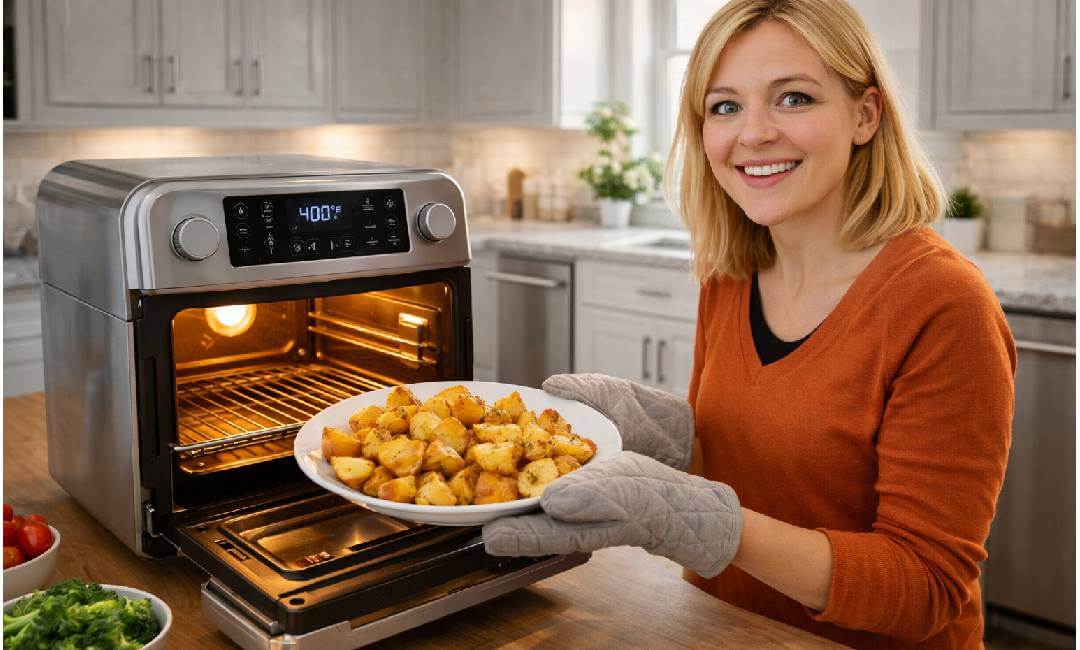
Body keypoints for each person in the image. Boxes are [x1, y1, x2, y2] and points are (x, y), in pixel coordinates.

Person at [482, 0, 1017, 648]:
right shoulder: (731, 272)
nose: (753, 134)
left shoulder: (942, 305)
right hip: (723, 627)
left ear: (865, 115)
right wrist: (676, 442)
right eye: (725, 106)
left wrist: (711, 524)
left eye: (793, 98)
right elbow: (749, 466)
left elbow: (924, 585)